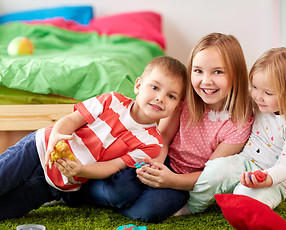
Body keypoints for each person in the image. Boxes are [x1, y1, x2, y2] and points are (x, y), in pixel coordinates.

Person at [63, 32, 254, 223]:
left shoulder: (240, 121)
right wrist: (156, 164)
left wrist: (171, 180)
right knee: (117, 191)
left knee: (149, 211)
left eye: (218, 72)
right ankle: (76, 194)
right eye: (198, 71)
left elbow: (212, 174)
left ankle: (120, 204)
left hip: (186, 181)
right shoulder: (184, 99)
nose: (206, 81)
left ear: (236, 74)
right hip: (160, 158)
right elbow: (163, 137)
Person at [0, 55, 187, 220]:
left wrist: (82, 170)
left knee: (7, 209)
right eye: (154, 87)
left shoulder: (151, 144)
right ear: (138, 85)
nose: (160, 98)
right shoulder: (111, 100)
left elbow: (112, 166)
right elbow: (72, 120)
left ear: (178, 106)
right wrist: (56, 135)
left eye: (171, 96)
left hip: (57, 184)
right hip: (37, 149)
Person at [185, 47, 286, 214]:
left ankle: (244, 207)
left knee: (244, 197)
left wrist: (267, 179)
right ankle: (192, 207)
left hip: (272, 180)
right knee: (216, 169)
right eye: (254, 87)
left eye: (268, 92)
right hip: (244, 162)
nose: (257, 96)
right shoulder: (259, 102)